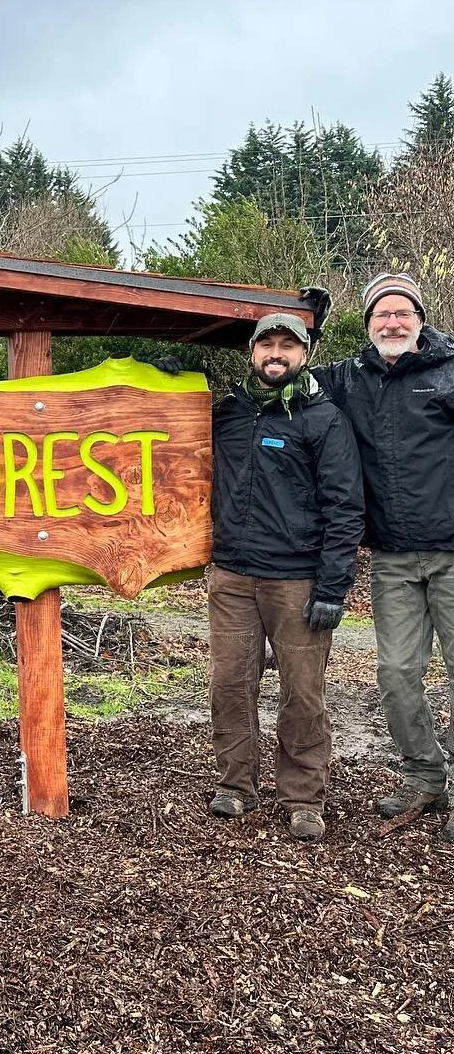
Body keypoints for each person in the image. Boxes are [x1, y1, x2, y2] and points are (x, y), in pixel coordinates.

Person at [207, 313, 363, 842]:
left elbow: (345, 507)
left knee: (303, 693)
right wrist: (170, 375)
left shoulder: (323, 419)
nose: (276, 354)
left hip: (296, 580)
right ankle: (236, 785)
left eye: (287, 346)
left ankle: (303, 798)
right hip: (231, 576)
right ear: (252, 352)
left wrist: (333, 587)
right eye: (267, 344)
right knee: (230, 684)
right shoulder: (228, 412)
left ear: (305, 354)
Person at [314, 274, 454, 842]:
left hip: (452, 551)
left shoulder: (449, 371)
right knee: (396, 675)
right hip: (392, 557)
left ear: (421, 318)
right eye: (381, 314)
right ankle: (425, 778)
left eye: (402, 313)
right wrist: (307, 322)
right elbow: (285, 375)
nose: (392, 322)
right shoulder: (349, 378)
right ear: (368, 322)